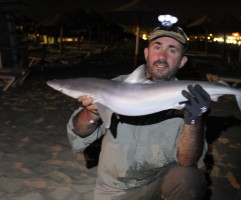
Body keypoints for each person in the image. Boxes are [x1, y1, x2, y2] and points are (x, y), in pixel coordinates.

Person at [67, 15, 211, 200]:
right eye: (157, 47)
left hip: (159, 181)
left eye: (172, 50)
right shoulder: (114, 86)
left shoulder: (189, 97)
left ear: (182, 61)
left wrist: (194, 119)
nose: (162, 56)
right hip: (115, 190)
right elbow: (80, 133)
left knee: (189, 178)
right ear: (146, 53)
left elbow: (188, 160)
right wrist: (92, 112)